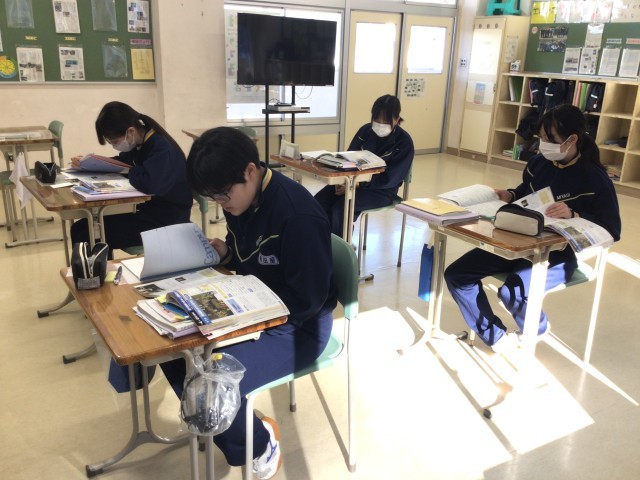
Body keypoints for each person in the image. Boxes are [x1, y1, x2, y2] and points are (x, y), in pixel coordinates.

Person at [160, 127, 338, 479]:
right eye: (212, 197)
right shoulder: (241, 198)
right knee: (174, 350)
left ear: (250, 171)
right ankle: (223, 423)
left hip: (299, 327)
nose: (221, 203)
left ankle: (260, 443)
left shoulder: (297, 216)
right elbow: (249, 254)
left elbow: (309, 299)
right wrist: (227, 253)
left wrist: (246, 321)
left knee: (212, 383)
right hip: (251, 305)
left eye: (223, 194)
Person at [444, 104, 621, 352]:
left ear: (572, 140)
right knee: (457, 275)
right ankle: (496, 337)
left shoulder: (594, 178)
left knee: (513, 292)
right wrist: (510, 195)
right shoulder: (539, 163)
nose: (542, 145)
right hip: (518, 242)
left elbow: (612, 227)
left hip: (557, 255)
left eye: (550, 139)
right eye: (541, 137)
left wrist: (574, 214)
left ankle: (537, 328)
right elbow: (526, 193)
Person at [70, 101, 193, 253]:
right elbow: (124, 162)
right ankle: (96, 268)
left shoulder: (161, 149)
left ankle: (99, 269)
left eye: (114, 141)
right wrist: (89, 163)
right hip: (147, 212)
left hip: (166, 221)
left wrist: (130, 171)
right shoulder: (141, 143)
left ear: (131, 131)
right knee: (79, 228)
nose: (114, 145)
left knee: (87, 234)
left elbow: (151, 184)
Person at [314, 94, 414, 237]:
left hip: (382, 191)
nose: (380, 125)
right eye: (376, 120)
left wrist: (359, 184)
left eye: (386, 122)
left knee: (341, 209)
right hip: (351, 183)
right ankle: (322, 241)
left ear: (397, 120)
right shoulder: (366, 131)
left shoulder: (404, 143)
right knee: (318, 202)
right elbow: (348, 158)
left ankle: (341, 247)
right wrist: (342, 181)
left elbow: (389, 179)